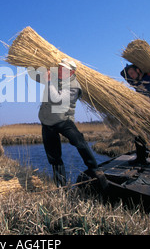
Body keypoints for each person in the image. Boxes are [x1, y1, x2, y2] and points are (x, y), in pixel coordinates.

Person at [28, 59, 103, 187]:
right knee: (53, 155)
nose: (61, 71)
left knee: (79, 142)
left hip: (64, 120)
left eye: (65, 69)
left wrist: (49, 81)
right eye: (60, 68)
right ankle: (60, 186)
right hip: (47, 121)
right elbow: (35, 76)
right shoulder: (54, 76)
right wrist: (28, 64)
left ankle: (95, 170)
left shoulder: (74, 86)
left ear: (72, 72)